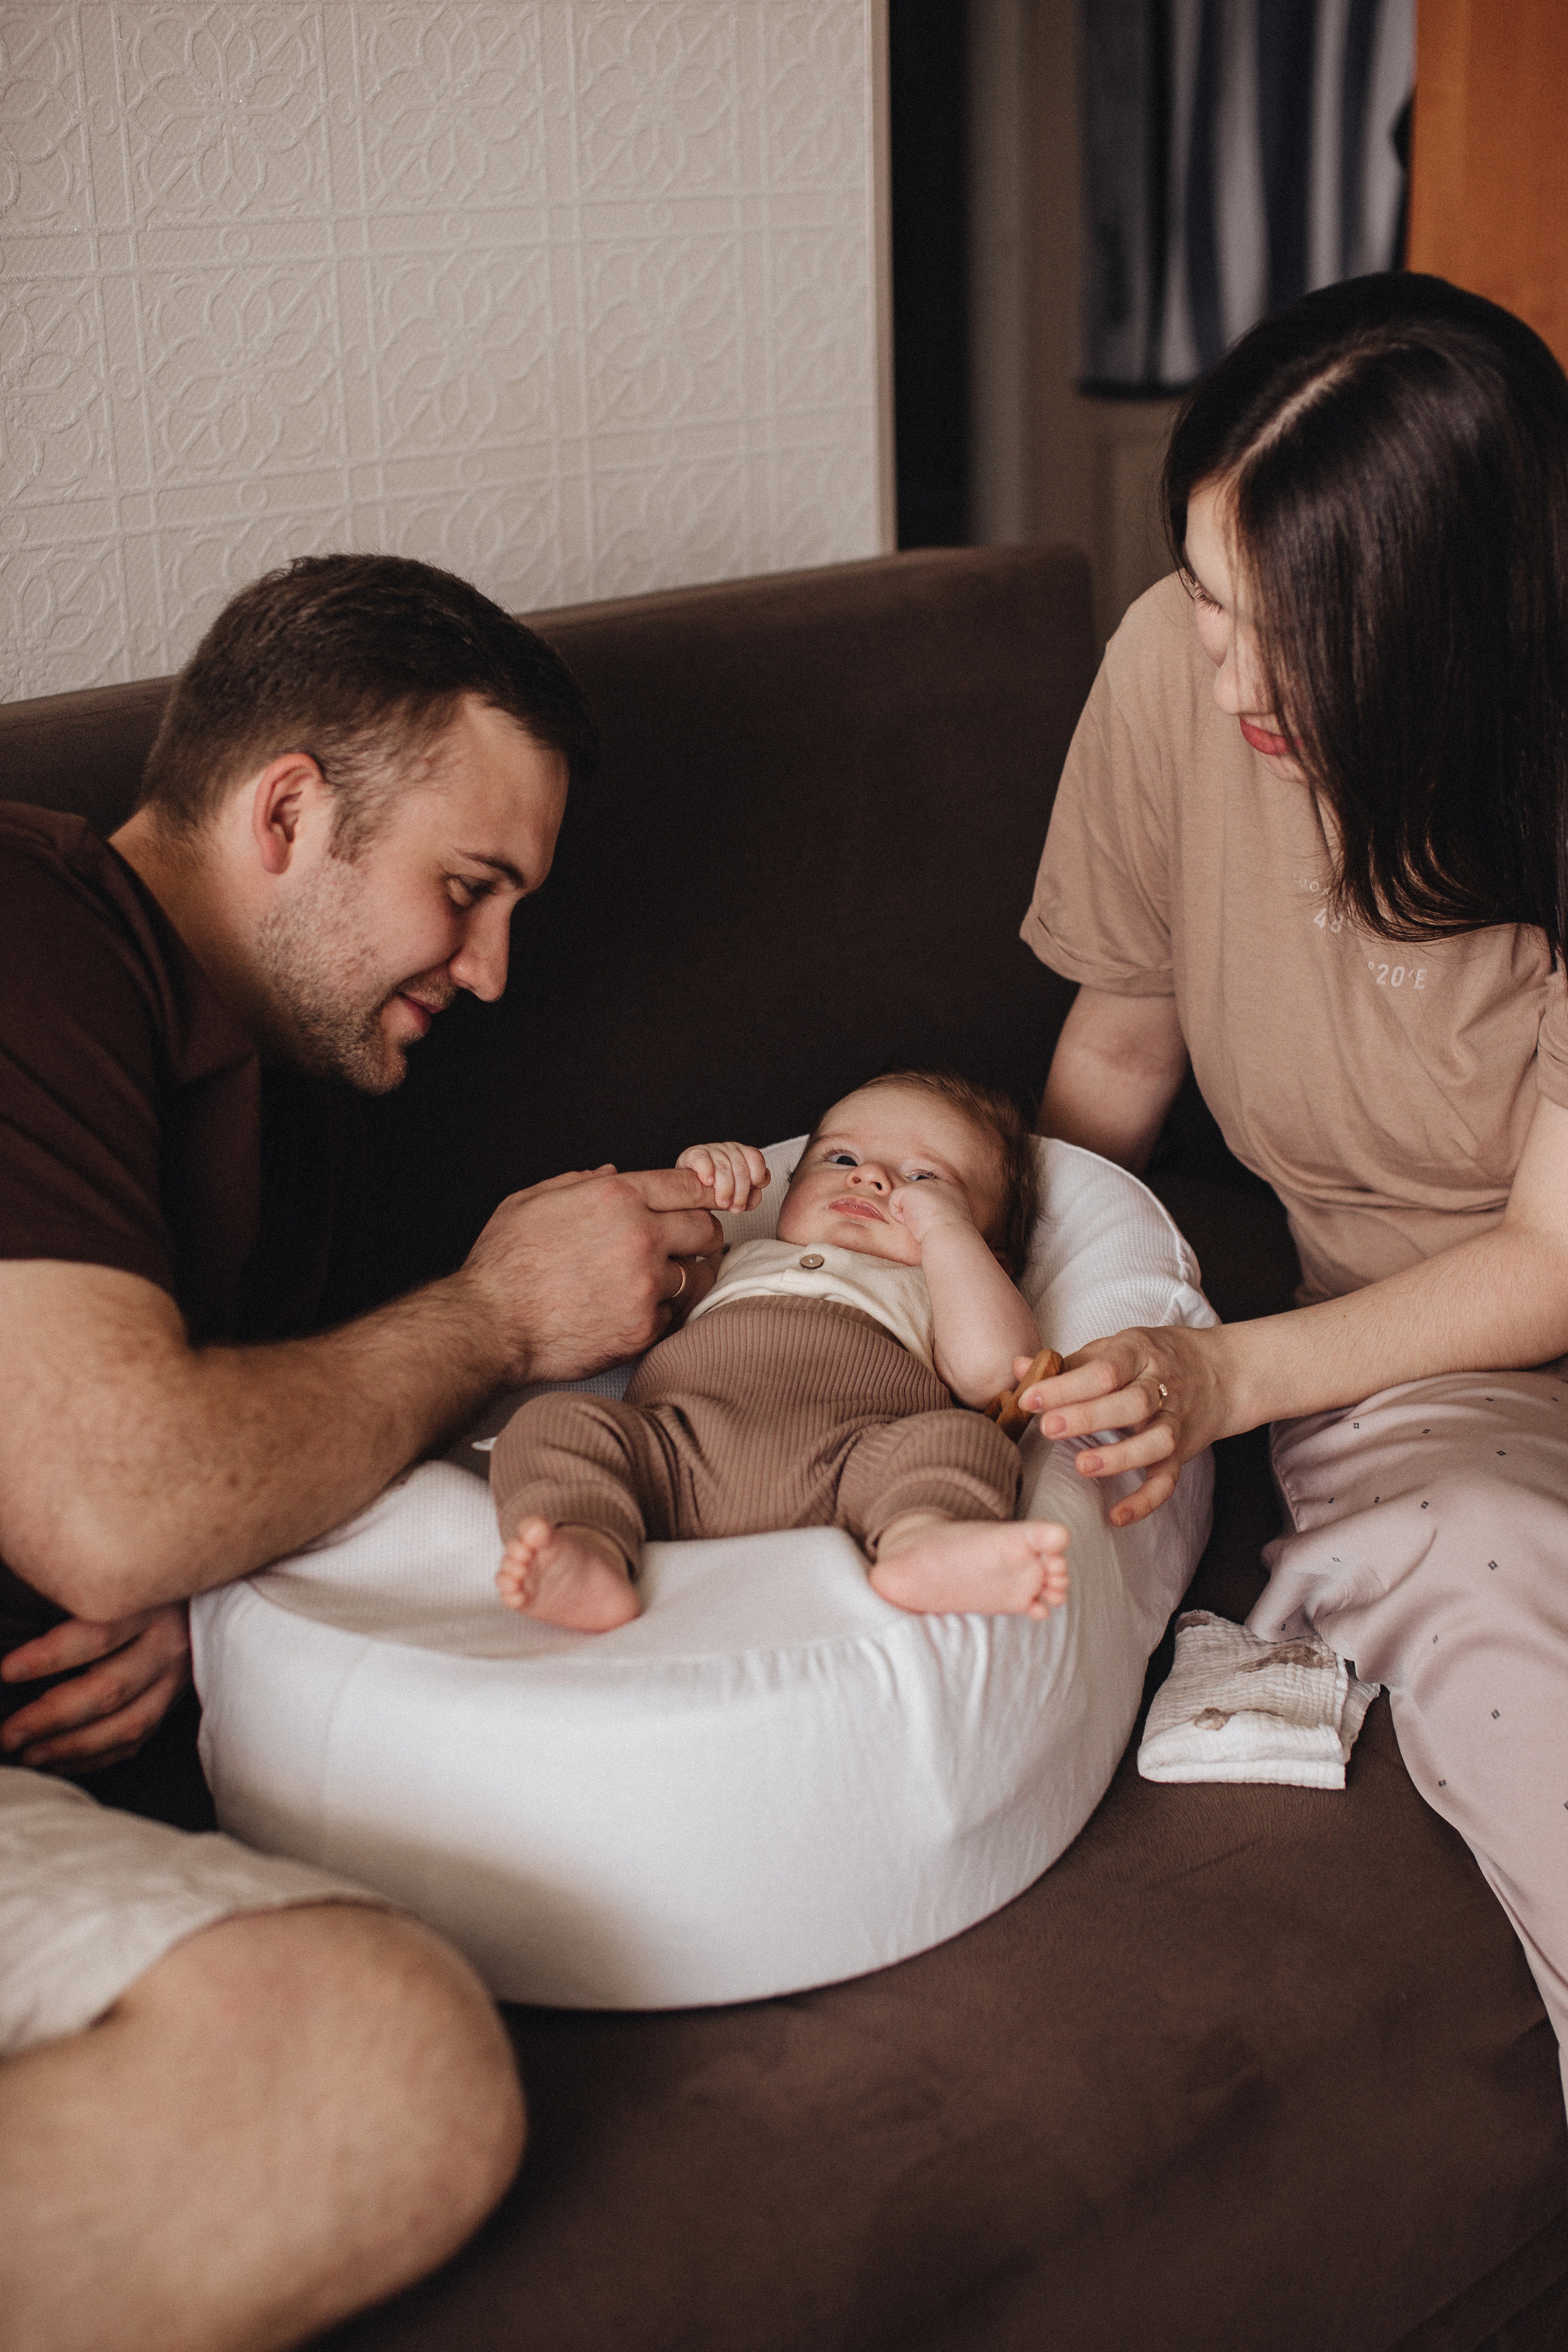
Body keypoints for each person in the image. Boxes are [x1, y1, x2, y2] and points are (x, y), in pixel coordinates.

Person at [0, 552, 726, 2348]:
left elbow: (170, 1475)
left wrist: (210, 1548)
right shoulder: (31, 930)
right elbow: (112, 1497)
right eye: (465, 891)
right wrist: (495, 1313)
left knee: (370, 2053)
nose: (489, 971)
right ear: (287, 810)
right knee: (385, 2059)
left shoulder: (293, 1111)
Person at [1014, 273, 1568, 2106]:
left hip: (1518, 1298)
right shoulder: (1172, 688)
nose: (1227, 671)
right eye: (1204, 595)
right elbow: (1117, 1050)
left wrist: (1226, 1377)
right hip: (1426, 1378)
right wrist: (1033, 1331)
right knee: (1476, 1548)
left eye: (1289, 632)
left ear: (1452, 638)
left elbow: (1553, 1254)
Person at [492, 1071, 1071, 1629]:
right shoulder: (736, 1261)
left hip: (857, 1465)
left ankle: (920, 1538)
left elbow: (996, 1373)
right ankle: (589, 1546)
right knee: (551, 1422)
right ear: (790, 1190)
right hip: (672, 1451)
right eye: (841, 1159)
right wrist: (700, 1187)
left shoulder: (942, 1287)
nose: (869, 1176)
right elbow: (639, 1282)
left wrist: (947, 1236)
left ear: (992, 1255)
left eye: (926, 1178)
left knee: (968, 1443)